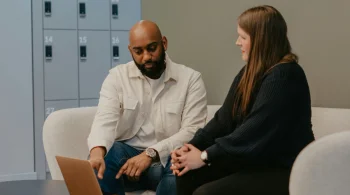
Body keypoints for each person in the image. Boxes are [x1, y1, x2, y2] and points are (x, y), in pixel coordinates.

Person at [171, 5, 315, 195]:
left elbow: (253, 131)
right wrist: (190, 148)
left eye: (243, 37)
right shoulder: (250, 72)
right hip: (254, 163)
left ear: (261, 41)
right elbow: (223, 120)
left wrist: (205, 156)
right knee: (186, 174)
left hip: (285, 169)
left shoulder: (286, 76)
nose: (237, 42)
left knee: (206, 193)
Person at [87, 20, 208, 195]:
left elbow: (192, 131)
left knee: (182, 163)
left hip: (169, 161)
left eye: (152, 48)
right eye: (138, 51)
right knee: (105, 156)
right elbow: (105, 118)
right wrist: (97, 153)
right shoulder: (117, 77)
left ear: (164, 43)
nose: (146, 57)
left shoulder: (191, 79)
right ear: (130, 51)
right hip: (127, 163)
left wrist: (151, 154)